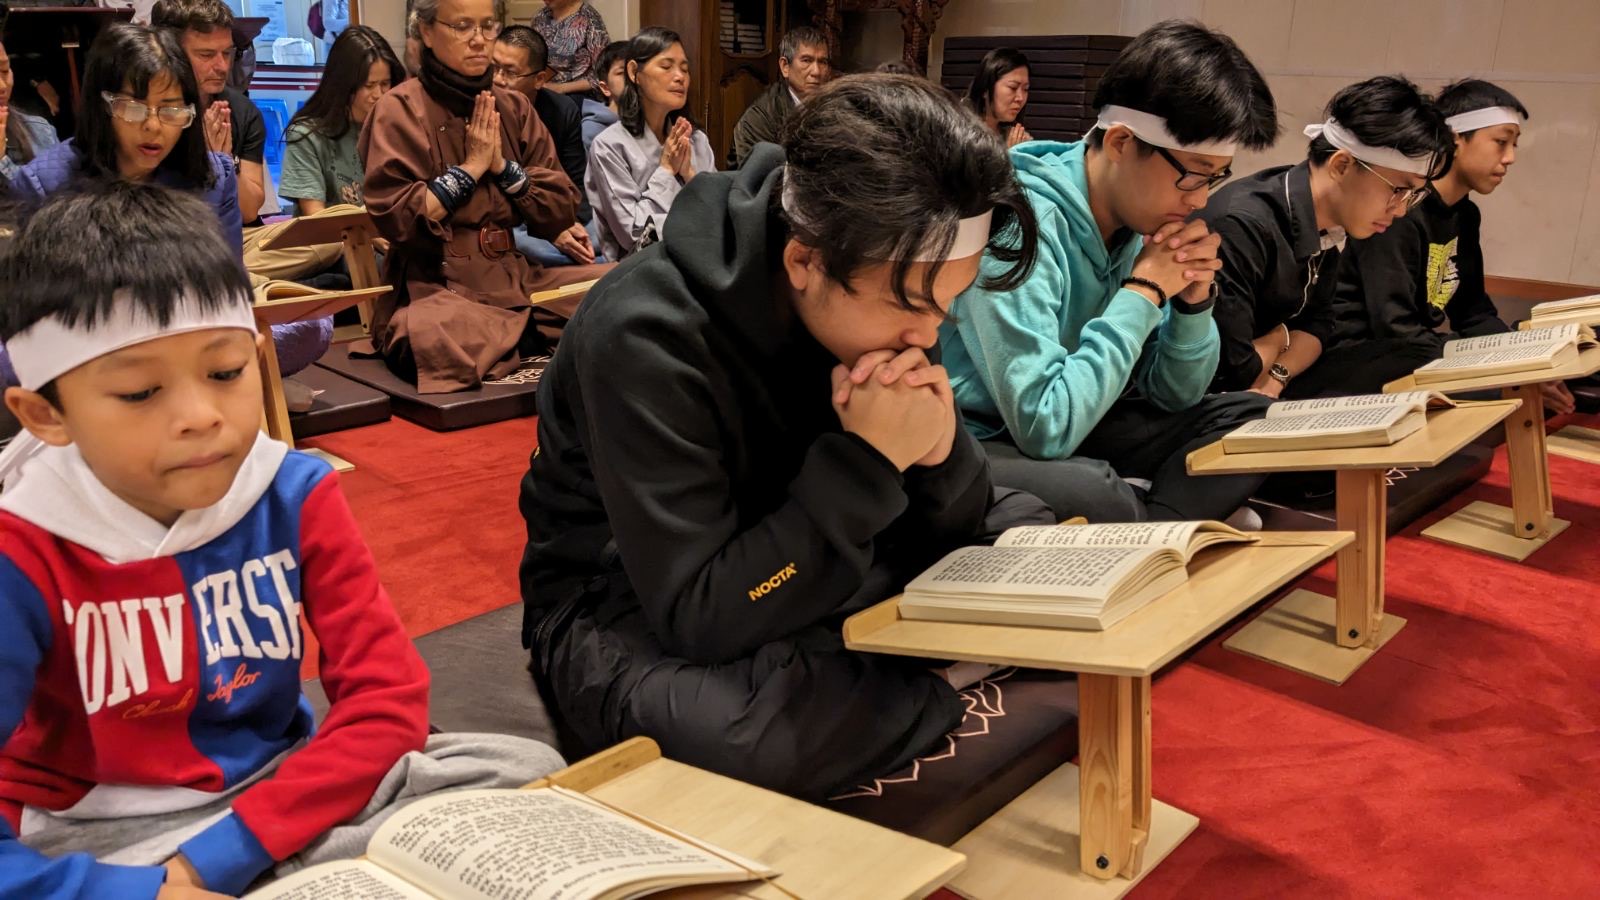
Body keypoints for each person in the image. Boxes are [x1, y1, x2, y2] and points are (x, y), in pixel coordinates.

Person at [0, 181, 564, 900]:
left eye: (225, 372)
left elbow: (386, 699)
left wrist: (216, 861)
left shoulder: (292, 491)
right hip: (101, 836)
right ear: (45, 415)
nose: (201, 416)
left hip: (281, 792)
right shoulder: (24, 549)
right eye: (140, 392)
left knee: (520, 770)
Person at [520, 73, 1050, 798]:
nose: (928, 337)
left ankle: (864, 672)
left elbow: (963, 515)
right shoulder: (643, 332)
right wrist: (870, 462)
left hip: (799, 544)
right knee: (742, 731)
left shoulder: (878, 285)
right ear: (804, 259)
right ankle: (933, 678)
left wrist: (937, 453)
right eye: (913, 307)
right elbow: (698, 616)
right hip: (631, 592)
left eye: (947, 306)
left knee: (1031, 525)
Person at [940, 21, 1279, 523]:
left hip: (1087, 416)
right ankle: (1157, 516)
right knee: (1098, 492)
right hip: (987, 436)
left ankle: (1151, 515)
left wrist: (1193, 305)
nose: (1199, 200)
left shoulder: (1135, 221)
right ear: (1121, 142)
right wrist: (1144, 291)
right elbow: (1045, 425)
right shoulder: (1020, 224)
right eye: (1192, 174)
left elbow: (1174, 394)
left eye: (1215, 177)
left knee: (1253, 417)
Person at [7, 24, 327, 382]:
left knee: (311, 325)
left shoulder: (213, 176)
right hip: (91, 347)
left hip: (191, 335)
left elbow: (227, 289)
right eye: (134, 108)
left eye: (171, 110)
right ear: (102, 104)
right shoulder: (43, 184)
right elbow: (32, 315)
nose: (153, 126)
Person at [361, 0, 611, 393]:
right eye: (462, 26)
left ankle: (511, 335)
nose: (479, 40)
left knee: (619, 284)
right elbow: (400, 218)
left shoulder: (513, 106)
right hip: (439, 285)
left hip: (517, 277)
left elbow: (561, 205)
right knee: (430, 331)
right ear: (426, 32)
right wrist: (470, 169)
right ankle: (523, 334)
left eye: (487, 26)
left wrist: (503, 168)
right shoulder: (399, 109)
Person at [1319, 80, 1577, 413]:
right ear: (1455, 139)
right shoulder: (1397, 211)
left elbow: (1473, 313)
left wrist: (1525, 359)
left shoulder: (1464, 215)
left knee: (1544, 380)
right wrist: (1502, 372)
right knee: (1512, 398)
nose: (1510, 158)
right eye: (1500, 142)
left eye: (1514, 144)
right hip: (1360, 360)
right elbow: (1395, 328)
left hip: (1412, 351)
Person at [1199, 75, 1454, 398]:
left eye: (1413, 195)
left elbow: (1318, 325)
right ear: (1342, 165)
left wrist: (1278, 373)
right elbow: (1235, 369)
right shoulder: (1243, 224)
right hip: (1211, 398)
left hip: (1271, 379)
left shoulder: (1329, 222)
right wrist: (1283, 337)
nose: (1401, 209)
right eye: (1398, 190)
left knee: (1423, 360)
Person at [586, 27, 716, 261]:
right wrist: (666, 170)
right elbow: (634, 233)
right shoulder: (609, 146)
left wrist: (690, 174)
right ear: (634, 72)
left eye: (685, 69)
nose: (680, 77)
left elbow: (719, 215)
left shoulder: (696, 140)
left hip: (703, 257)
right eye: (666, 67)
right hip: (643, 269)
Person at [493, 24, 598, 267]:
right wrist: (550, 228)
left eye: (509, 72)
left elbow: (574, 182)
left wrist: (567, 224)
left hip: (551, 209)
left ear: (540, 79)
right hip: (510, 219)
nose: (497, 79)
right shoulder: (481, 106)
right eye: (493, 67)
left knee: (593, 238)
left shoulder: (561, 111)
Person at [281, 25, 404, 214]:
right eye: (369, 85)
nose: (379, 94)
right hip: (334, 232)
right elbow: (316, 217)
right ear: (344, 84)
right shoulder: (307, 136)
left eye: (385, 84)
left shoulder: (395, 127)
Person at [727, 26, 830, 168]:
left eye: (823, 62)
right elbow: (756, 176)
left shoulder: (835, 107)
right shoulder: (758, 119)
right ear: (785, 66)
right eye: (806, 60)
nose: (816, 72)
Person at [1, 36, 59, 184]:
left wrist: (2, 160)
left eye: (4, 71)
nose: (2, 86)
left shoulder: (40, 131)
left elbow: (58, 194)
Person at [530, 0, 609, 98]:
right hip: (542, 89)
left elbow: (603, 73)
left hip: (576, 95)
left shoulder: (590, 19)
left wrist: (560, 88)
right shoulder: (540, 17)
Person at [965, 47, 1031, 148]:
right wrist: (1010, 154)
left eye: (1025, 89)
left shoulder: (1013, 135)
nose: (1020, 98)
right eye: (1013, 87)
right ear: (985, 89)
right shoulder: (961, 133)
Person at [581, 39, 627, 148]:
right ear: (605, 88)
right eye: (621, 72)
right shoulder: (595, 129)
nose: (631, 77)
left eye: (636, 71)